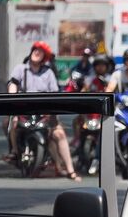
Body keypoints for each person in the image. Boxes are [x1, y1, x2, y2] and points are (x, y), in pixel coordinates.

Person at [7, 41, 80, 180]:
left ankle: (70, 170)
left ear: (44, 57)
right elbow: (13, 84)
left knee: (59, 134)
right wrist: (13, 99)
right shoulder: (20, 69)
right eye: (35, 49)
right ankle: (15, 152)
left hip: (44, 111)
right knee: (11, 122)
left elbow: (55, 94)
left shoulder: (48, 73)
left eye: (40, 51)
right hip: (23, 110)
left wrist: (53, 112)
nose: (37, 52)